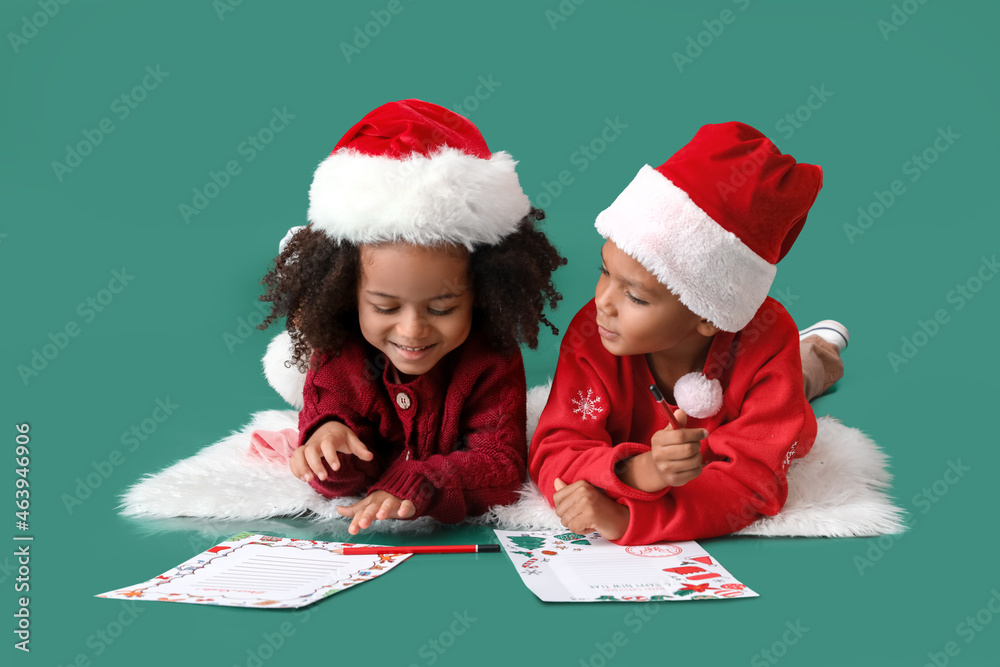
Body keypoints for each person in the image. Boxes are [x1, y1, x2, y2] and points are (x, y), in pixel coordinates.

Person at [528, 121, 846, 545]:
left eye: (636, 298)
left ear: (709, 313)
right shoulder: (596, 330)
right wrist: (636, 471)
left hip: (767, 364)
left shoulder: (767, 341)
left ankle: (814, 356)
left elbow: (754, 484)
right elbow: (555, 447)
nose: (603, 301)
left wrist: (629, 522)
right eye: (605, 271)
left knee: (797, 387)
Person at [256, 99, 565, 535]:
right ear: (349, 295)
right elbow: (339, 479)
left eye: (441, 308)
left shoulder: (490, 358)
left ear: (481, 293)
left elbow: (500, 466)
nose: (412, 330)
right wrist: (327, 445)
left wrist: (425, 481)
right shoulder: (339, 353)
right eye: (385, 308)